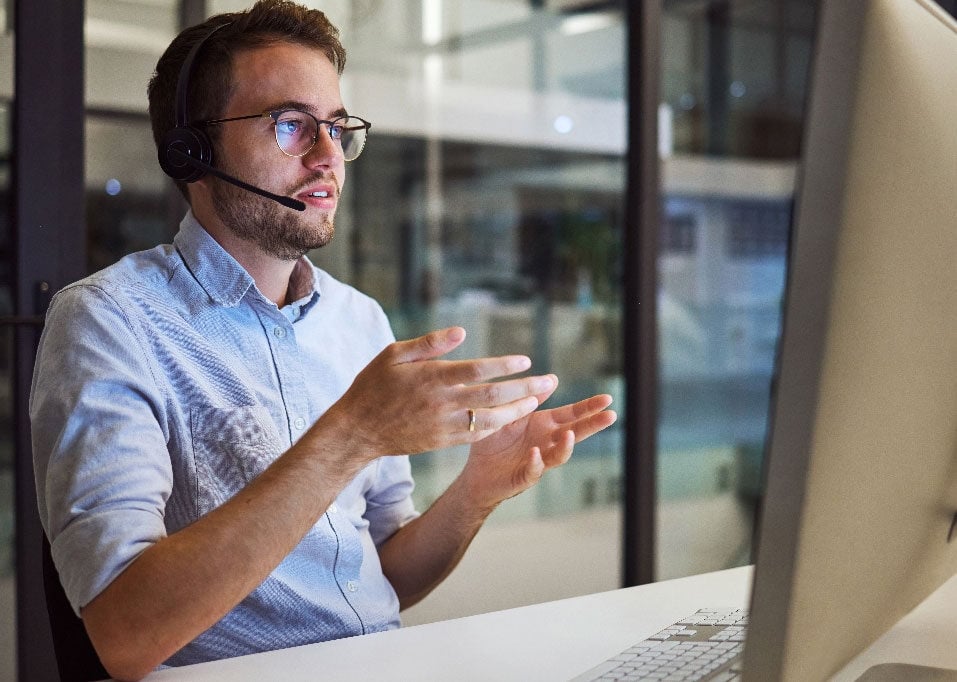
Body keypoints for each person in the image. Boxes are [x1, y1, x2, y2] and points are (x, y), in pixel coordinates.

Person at [29, 2, 617, 680]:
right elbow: (123, 635)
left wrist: (475, 492)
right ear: (191, 152)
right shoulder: (109, 322)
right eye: (291, 125)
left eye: (337, 129)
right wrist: (349, 436)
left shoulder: (358, 320)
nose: (328, 156)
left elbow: (383, 582)